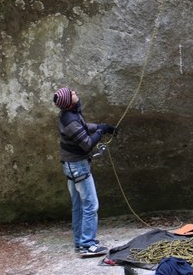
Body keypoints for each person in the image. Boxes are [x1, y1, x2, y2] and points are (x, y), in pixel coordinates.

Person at [53, 86, 117, 258]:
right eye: (71, 93)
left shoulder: (70, 115)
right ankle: (87, 245)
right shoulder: (70, 120)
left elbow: (83, 127)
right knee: (90, 205)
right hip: (78, 167)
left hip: (71, 167)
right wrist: (100, 132)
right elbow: (87, 143)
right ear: (68, 101)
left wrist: (102, 126)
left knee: (78, 205)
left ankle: (80, 242)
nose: (74, 92)